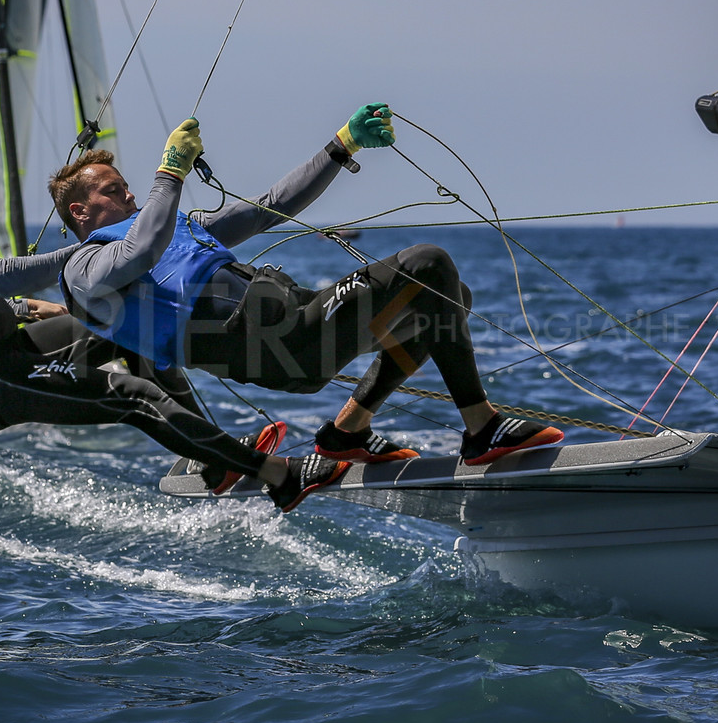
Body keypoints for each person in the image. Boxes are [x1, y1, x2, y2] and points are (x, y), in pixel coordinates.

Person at [0, 112, 346, 512]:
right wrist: (100, 251)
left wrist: (29, 306)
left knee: (128, 327)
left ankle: (214, 458)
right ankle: (276, 475)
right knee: (135, 397)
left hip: (2, 338)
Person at [53, 104, 564, 467]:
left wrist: (342, 144)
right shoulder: (86, 265)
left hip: (297, 318)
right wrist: (170, 172)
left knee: (443, 298)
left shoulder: (178, 228)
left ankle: (347, 431)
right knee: (426, 263)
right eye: (114, 191)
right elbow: (135, 262)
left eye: (128, 187)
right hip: (272, 345)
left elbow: (271, 206)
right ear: (80, 211)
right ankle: (482, 428)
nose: (131, 195)